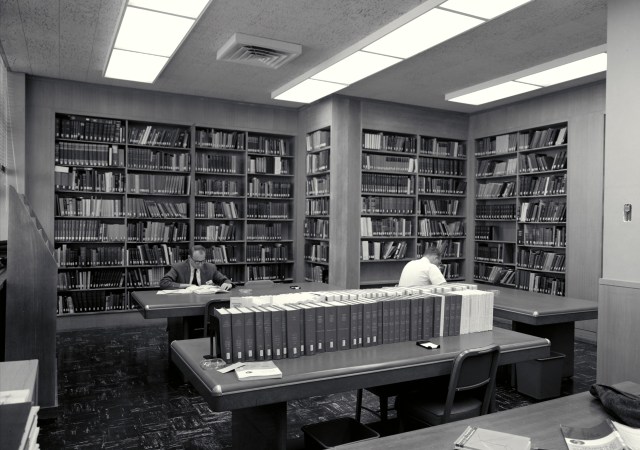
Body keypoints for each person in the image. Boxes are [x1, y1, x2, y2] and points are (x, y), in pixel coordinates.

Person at [159, 245, 233, 290]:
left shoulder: (210, 267)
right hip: (183, 301)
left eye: (202, 261)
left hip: (204, 301)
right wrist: (187, 286)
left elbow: (225, 280)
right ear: (189, 258)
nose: (200, 264)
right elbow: (163, 283)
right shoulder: (178, 267)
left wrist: (227, 284)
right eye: (197, 261)